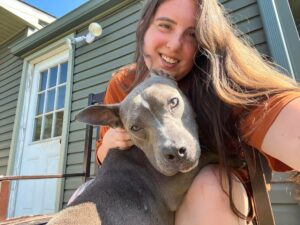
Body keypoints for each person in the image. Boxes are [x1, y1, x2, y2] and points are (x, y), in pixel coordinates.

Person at [94, 0, 300, 224]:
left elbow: (277, 111)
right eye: (165, 25)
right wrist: (110, 145)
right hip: (144, 201)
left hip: (213, 203)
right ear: (144, 27)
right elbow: (107, 161)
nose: (174, 45)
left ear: (205, 42)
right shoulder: (124, 84)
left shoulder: (223, 84)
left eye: (192, 33)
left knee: (210, 187)